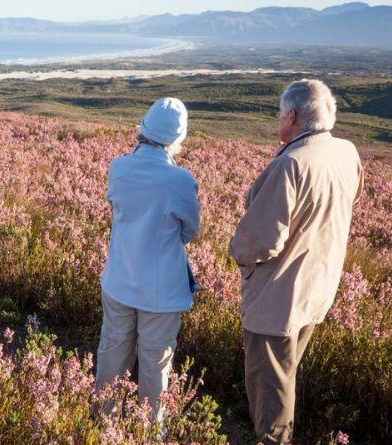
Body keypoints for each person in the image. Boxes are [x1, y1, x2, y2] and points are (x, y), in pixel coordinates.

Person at [228, 79, 364, 445]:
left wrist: (238, 257)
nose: (278, 119)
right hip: (317, 287)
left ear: (291, 115)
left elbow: (260, 241)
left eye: (279, 113)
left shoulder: (291, 164)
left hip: (278, 299)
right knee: (286, 374)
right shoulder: (346, 151)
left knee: (270, 387)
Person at [94, 98, 200, 425]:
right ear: (177, 137)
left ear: (143, 128)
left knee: (113, 353)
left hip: (119, 278)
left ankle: (103, 420)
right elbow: (190, 230)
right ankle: (147, 430)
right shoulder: (180, 180)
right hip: (161, 292)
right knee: (154, 364)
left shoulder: (119, 167)